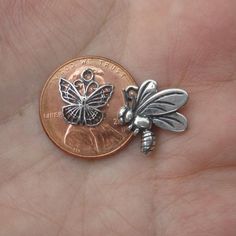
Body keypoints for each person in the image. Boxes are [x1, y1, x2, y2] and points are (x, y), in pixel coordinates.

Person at [0, 1, 236, 235]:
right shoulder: (124, 111)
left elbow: (138, 123)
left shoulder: (132, 116)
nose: (121, 115)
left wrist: (139, 130)